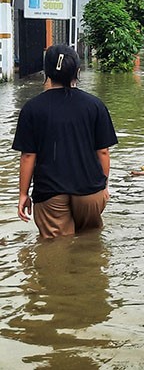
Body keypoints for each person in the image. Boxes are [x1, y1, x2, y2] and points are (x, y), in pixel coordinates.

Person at [12, 44, 118, 238]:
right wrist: (103, 186)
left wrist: (23, 195)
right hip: (90, 192)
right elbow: (103, 152)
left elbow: (28, 156)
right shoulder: (95, 106)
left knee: (56, 251)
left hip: (50, 194)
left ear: (47, 72)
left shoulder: (31, 109)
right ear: (77, 71)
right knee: (90, 244)